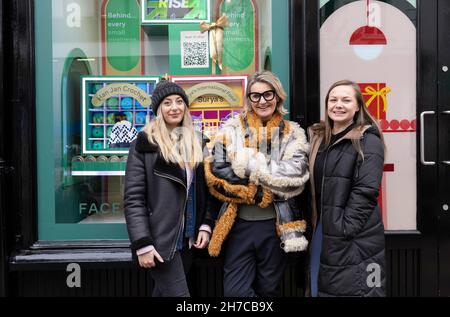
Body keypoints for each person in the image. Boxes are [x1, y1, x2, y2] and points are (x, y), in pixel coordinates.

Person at [204, 71, 310, 297]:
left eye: (267, 94)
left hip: (276, 227)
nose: (262, 101)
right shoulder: (231, 129)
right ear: (249, 100)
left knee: (268, 291)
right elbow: (218, 170)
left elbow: (296, 173)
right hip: (239, 226)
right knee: (235, 293)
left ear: (278, 96)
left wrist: (250, 163)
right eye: (255, 96)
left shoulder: (293, 133)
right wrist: (262, 185)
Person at [124, 80, 213, 297]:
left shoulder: (198, 142)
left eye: (179, 101)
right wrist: (142, 244)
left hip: (189, 240)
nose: (174, 107)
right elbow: (134, 199)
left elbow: (209, 191)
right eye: (167, 103)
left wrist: (206, 225)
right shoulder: (144, 145)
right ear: (158, 109)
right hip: (161, 242)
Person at [308, 79, 386, 297]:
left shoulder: (367, 140)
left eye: (346, 100)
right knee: (320, 286)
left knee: (354, 289)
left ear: (358, 107)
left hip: (350, 232)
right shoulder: (318, 139)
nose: (338, 105)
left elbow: (367, 190)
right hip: (322, 228)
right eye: (333, 100)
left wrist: (344, 228)